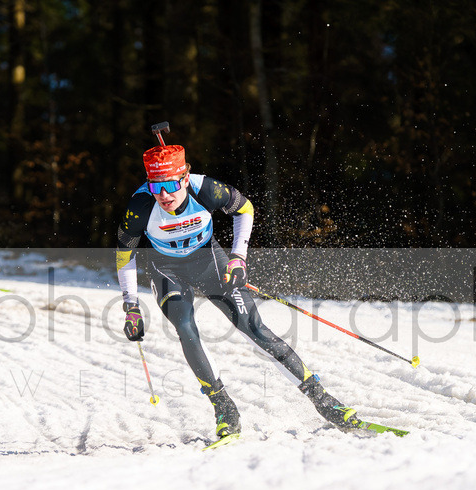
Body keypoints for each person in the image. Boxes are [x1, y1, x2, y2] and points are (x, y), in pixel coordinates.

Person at [116, 140, 365, 440]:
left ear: (184, 178)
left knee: (253, 327)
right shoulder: (140, 206)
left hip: (208, 261)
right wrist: (130, 306)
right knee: (185, 327)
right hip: (166, 269)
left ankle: (324, 401)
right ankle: (224, 408)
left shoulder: (205, 189)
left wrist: (238, 258)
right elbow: (124, 256)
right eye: (156, 188)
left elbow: (244, 208)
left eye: (169, 184)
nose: (164, 195)